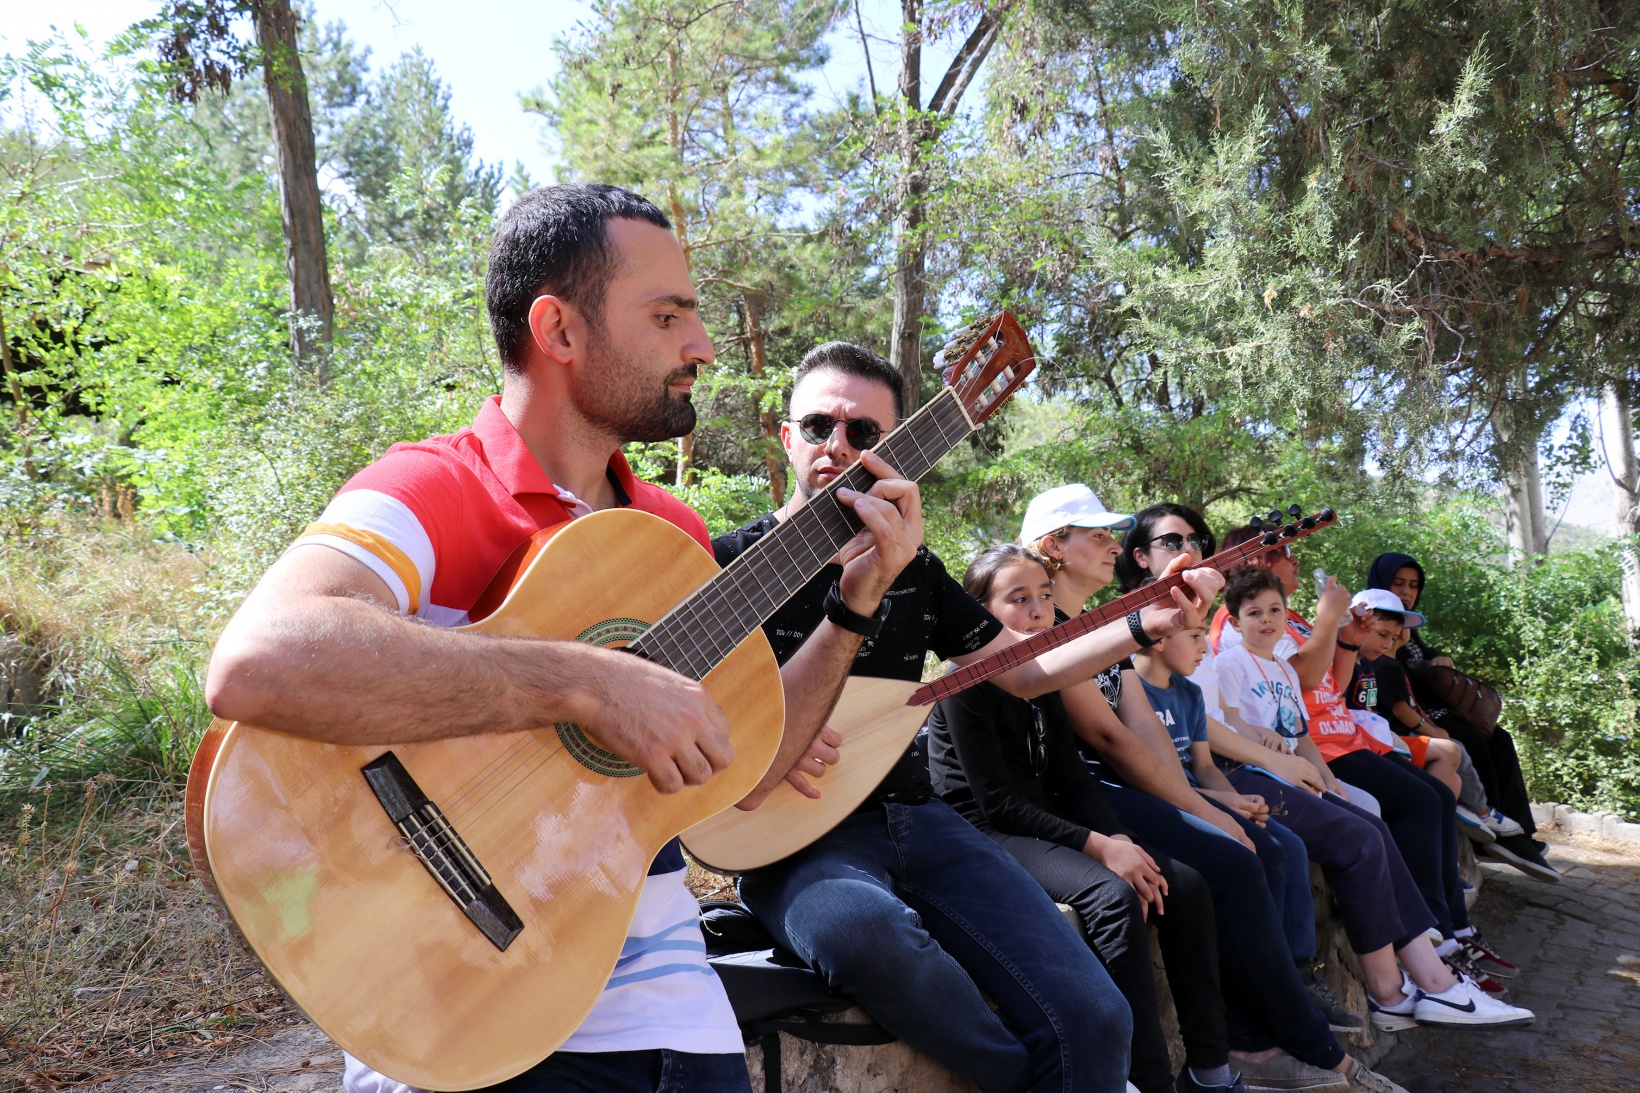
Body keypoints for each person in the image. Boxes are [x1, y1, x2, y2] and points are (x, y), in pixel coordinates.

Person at [206, 184, 929, 1093]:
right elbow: (259, 660)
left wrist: (853, 606)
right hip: (453, 998)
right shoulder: (438, 485)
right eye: (667, 317)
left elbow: (746, 774)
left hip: (666, 992)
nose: (702, 346)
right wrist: (587, 683)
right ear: (557, 329)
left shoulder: (670, 533)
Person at [714, 345, 1232, 1092]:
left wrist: (1145, 623)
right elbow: (679, 717)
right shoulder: (727, 566)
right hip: (790, 839)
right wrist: (761, 740)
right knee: (864, 933)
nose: (839, 446)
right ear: (788, 436)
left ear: (894, 449)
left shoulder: (915, 569)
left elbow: (1023, 668)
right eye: (820, 424)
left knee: (1098, 1017)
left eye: (864, 432)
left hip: (917, 817)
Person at [1024, 490, 1404, 1093]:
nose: (1110, 545)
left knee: (1251, 854)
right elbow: (1108, 738)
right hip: (1083, 792)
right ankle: (1301, 1044)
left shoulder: (1097, 623)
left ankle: (1254, 1041)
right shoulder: (1047, 627)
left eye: (1111, 534)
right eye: (1095, 535)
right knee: (1229, 862)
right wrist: (1206, 809)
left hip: (1119, 782)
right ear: (1052, 548)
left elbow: (1144, 728)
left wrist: (1209, 804)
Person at [928, 543, 1240, 1093]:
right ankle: (1141, 1079)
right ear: (980, 613)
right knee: (1112, 897)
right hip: (983, 831)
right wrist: (1097, 848)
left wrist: (1119, 839)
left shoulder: (1044, 674)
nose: (1039, 611)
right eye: (1018, 599)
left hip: (1041, 819)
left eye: (1045, 595)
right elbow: (996, 804)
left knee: (1183, 885)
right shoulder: (965, 683)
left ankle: (1209, 1068)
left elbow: (1072, 778)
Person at [1214, 570, 1533, 1032]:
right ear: (1234, 621)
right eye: (1254, 613)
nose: (1266, 620)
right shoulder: (1228, 664)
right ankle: (1413, 986)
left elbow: (1300, 735)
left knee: (1374, 829)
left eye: (1274, 610)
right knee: (1364, 838)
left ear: (1287, 614)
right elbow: (1223, 721)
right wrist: (1262, 740)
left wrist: (1329, 781)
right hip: (1254, 775)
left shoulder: (1283, 669)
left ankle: (1421, 982)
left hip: (1296, 773)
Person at [1365, 552, 1558, 883]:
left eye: (1413, 585)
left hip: (1426, 711)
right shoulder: (1375, 626)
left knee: (1499, 738)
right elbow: (1393, 690)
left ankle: (1519, 830)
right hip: (1406, 719)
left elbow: (1418, 659)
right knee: (1467, 740)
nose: (1406, 592)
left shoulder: (1408, 628)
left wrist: (1438, 659)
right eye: (1398, 584)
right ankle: (1491, 832)